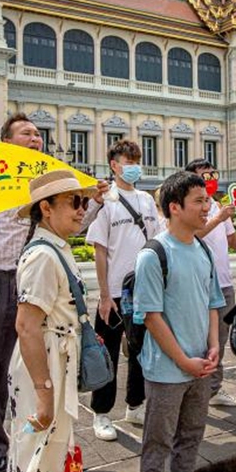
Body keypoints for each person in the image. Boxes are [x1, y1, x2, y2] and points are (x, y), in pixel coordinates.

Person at [0, 115, 109, 472]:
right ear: (8, 142)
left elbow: (73, 224)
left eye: (36, 134)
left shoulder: (50, 182)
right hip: (6, 279)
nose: (35, 139)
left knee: (48, 361)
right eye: (26, 133)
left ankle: (44, 432)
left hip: (46, 278)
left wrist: (94, 202)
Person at [5, 170, 95, 472]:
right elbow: (26, 325)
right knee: (35, 468)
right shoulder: (42, 256)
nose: (82, 210)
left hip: (57, 365)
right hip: (43, 371)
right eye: (74, 202)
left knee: (49, 466)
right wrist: (44, 391)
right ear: (47, 208)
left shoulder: (54, 249)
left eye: (84, 203)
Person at [134, 172, 226, 472]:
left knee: (191, 438)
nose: (207, 208)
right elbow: (151, 317)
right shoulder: (154, 254)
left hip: (200, 365)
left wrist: (214, 346)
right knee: (158, 445)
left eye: (207, 201)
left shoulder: (202, 250)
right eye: (199, 201)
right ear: (175, 207)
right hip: (168, 369)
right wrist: (184, 361)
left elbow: (212, 303)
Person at [86, 139, 162, 440]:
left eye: (136, 159)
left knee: (141, 351)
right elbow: (100, 252)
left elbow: (156, 242)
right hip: (115, 292)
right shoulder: (106, 200)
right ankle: (102, 413)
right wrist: (104, 295)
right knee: (107, 353)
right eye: (127, 160)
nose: (133, 165)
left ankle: (135, 405)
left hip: (143, 289)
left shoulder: (146, 199)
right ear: (114, 165)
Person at [190, 158, 236, 407]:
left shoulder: (219, 205)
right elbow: (190, 235)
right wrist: (219, 218)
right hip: (198, 283)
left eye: (213, 174)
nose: (210, 179)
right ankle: (195, 391)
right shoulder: (192, 206)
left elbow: (233, 242)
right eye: (205, 175)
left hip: (223, 282)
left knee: (219, 339)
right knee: (197, 340)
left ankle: (214, 389)